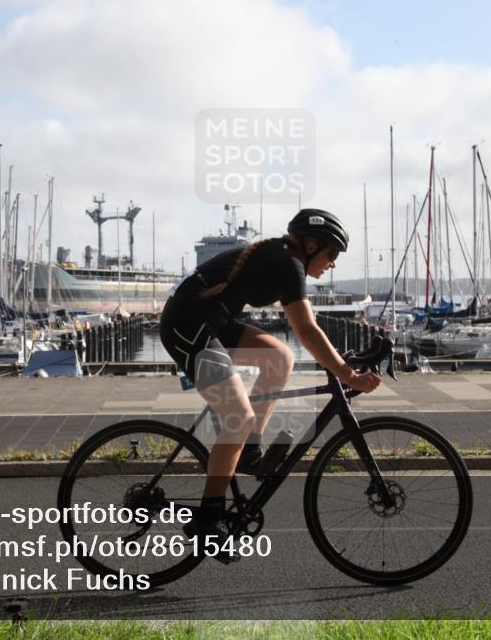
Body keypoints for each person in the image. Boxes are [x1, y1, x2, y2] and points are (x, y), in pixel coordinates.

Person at [159, 208, 381, 552]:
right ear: (310, 246)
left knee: (280, 357)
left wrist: (343, 362)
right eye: (332, 253)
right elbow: (306, 330)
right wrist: (347, 373)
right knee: (240, 417)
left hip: (212, 319)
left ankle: (250, 452)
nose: (333, 262)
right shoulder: (287, 263)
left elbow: (306, 329)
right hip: (186, 324)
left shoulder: (285, 258)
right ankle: (208, 518)